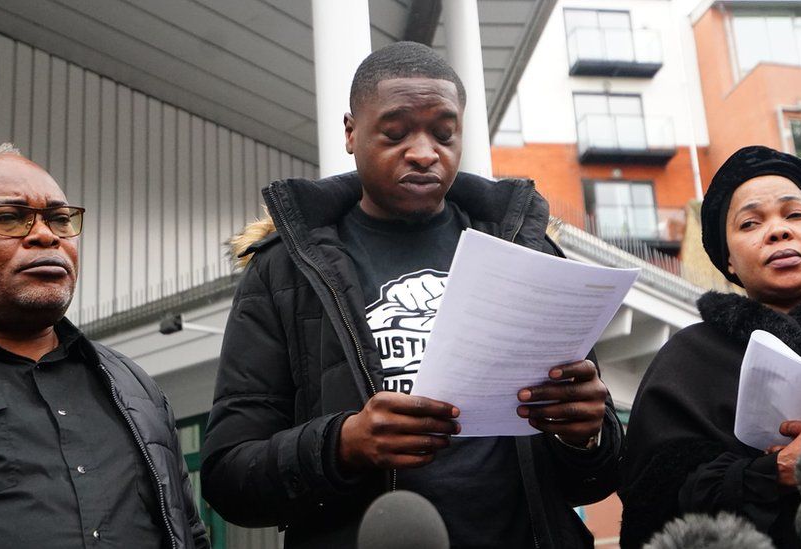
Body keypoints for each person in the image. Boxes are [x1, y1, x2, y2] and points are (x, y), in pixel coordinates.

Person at [201, 42, 622, 549]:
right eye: (396, 132)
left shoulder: (529, 252)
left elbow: (595, 479)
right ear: (351, 133)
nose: (424, 152)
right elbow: (228, 477)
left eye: (444, 134)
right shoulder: (283, 271)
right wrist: (344, 445)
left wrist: (585, 434)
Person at [0, 144, 209, 549]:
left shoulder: (134, 388)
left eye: (60, 219)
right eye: (10, 218)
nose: (46, 235)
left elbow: (188, 531)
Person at [619, 145, 801, 548]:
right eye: (749, 224)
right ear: (728, 260)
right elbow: (650, 511)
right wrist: (777, 468)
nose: (777, 230)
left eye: (794, 214)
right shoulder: (688, 361)